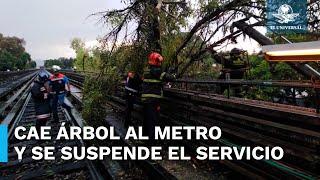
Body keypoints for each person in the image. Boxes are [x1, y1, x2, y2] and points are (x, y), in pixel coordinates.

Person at [141, 52, 175, 141]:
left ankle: (144, 139)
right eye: (159, 62)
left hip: (145, 99)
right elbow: (170, 78)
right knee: (153, 121)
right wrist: (173, 73)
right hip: (153, 100)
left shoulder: (146, 70)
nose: (160, 63)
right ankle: (151, 143)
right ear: (157, 62)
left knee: (146, 120)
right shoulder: (158, 71)